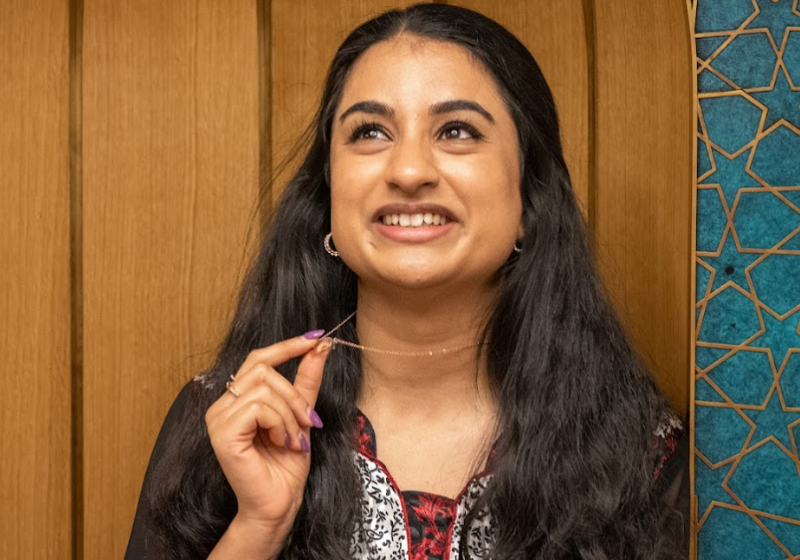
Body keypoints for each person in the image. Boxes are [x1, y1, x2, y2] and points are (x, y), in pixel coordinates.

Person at [124, 3, 689, 559]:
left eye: (457, 131)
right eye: (370, 132)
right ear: (326, 201)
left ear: (529, 201)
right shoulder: (226, 421)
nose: (409, 171)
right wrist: (259, 527)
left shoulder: (640, 454)